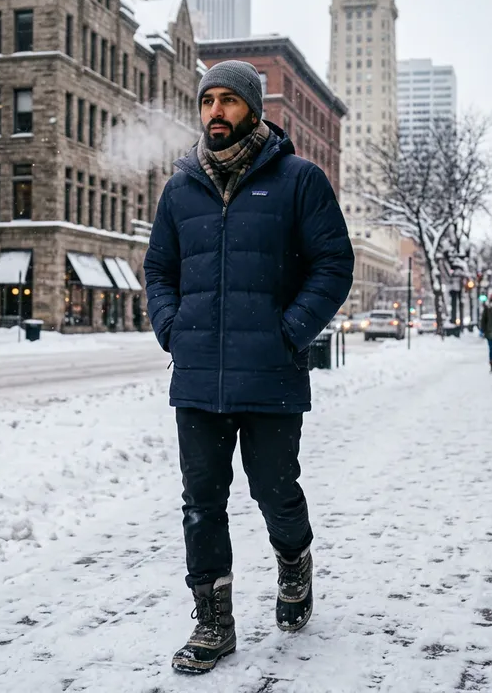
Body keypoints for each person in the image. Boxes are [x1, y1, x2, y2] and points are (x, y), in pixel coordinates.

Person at [144, 60, 354, 674]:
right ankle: (214, 622)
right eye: (207, 100)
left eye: (228, 100)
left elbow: (332, 266)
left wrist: (289, 332)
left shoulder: (298, 180)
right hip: (198, 376)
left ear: (255, 110)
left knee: (274, 492)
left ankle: (295, 565)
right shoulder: (180, 187)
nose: (215, 111)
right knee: (201, 503)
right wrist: (171, 328)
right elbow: (159, 269)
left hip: (271, 375)